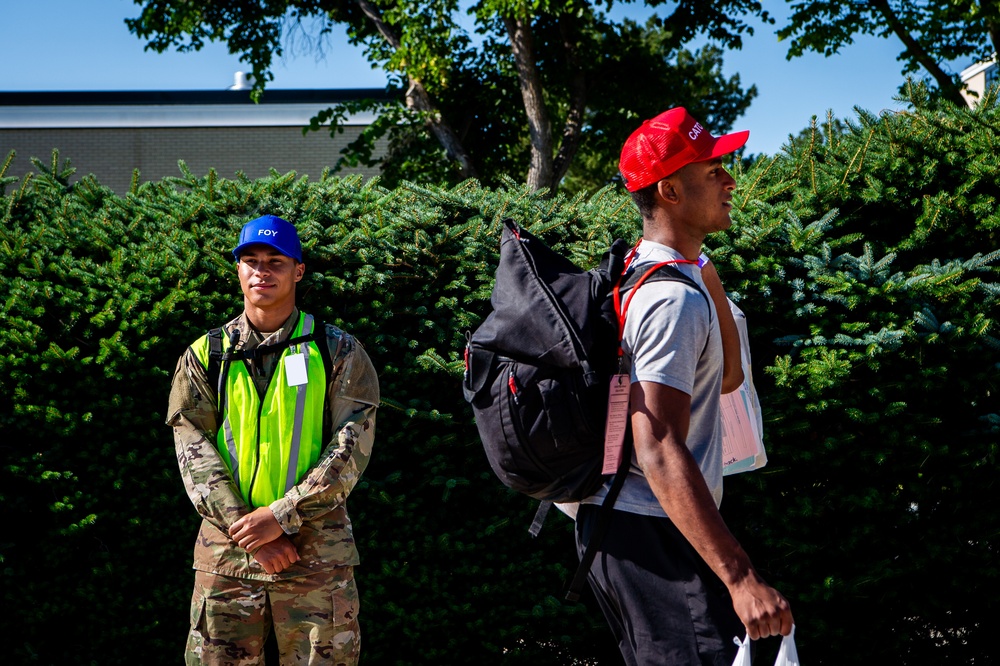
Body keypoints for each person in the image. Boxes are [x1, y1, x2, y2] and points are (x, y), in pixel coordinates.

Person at [574, 108, 794, 665]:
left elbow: (727, 379)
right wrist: (740, 577)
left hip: (637, 527)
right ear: (670, 189)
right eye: (712, 169)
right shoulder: (670, 299)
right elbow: (658, 445)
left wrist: (703, 273)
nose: (730, 180)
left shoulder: (657, 275)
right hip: (649, 530)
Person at [166, 214, 380, 665]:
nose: (262, 271)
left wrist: (282, 517)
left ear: (297, 270)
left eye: (275, 261)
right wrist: (255, 533)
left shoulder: (337, 349)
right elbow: (192, 450)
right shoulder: (206, 354)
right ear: (238, 270)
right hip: (228, 556)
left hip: (315, 556)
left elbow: (351, 447)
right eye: (251, 261)